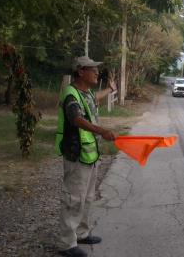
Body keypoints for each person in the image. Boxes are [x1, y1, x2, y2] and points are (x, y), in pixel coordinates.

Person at [55, 56, 117, 257]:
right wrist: (101, 131)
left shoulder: (86, 92)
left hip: (89, 154)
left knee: (87, 198)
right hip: (76, 155)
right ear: (81, 71)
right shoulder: (71, 94)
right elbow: (76, 118)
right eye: (93, 69)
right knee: (74, 199)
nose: (97, 73)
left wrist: (111, 90)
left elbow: (95, 98)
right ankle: (66, 243)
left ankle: (82, 233)